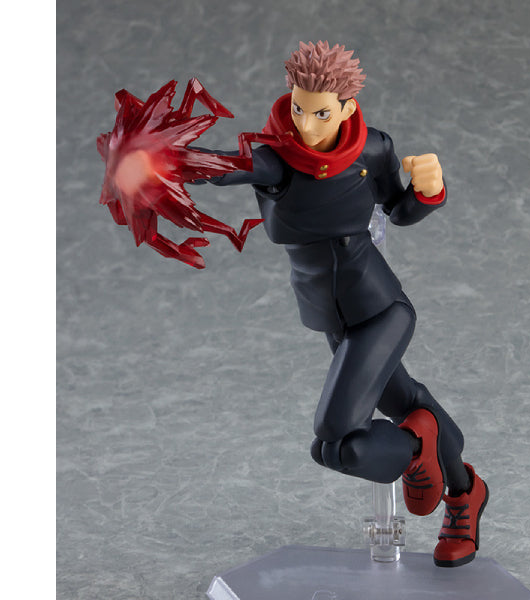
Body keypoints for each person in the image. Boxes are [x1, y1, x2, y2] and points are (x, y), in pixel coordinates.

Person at [105, 40, 489, 568]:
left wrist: (429, 192)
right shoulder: (275, 160)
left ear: (348, 109)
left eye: (321, 113)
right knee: (395, 408)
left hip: (380, 308)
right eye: (298, 108)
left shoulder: (373, 149)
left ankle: (415, 448)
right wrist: (157, 160)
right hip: (334, 317)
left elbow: (397, 210)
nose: (305, 125)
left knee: (338, 439)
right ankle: (465, 490)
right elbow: (223, 165)